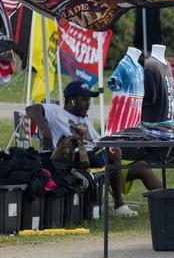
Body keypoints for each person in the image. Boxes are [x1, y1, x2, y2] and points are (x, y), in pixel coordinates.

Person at [25, 81, 162, 217]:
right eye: (84, 99)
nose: (88, 103)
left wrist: (120, 139)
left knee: (140, 166)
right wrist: (45, 129)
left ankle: (170, 201)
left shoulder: (85, 119)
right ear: (72, 100)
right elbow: (31, 109)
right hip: (75, 161)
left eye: (89, 99)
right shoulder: (56, 112)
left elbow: (98, 141)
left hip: (96, 158)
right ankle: (119, 204)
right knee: (112, 156)